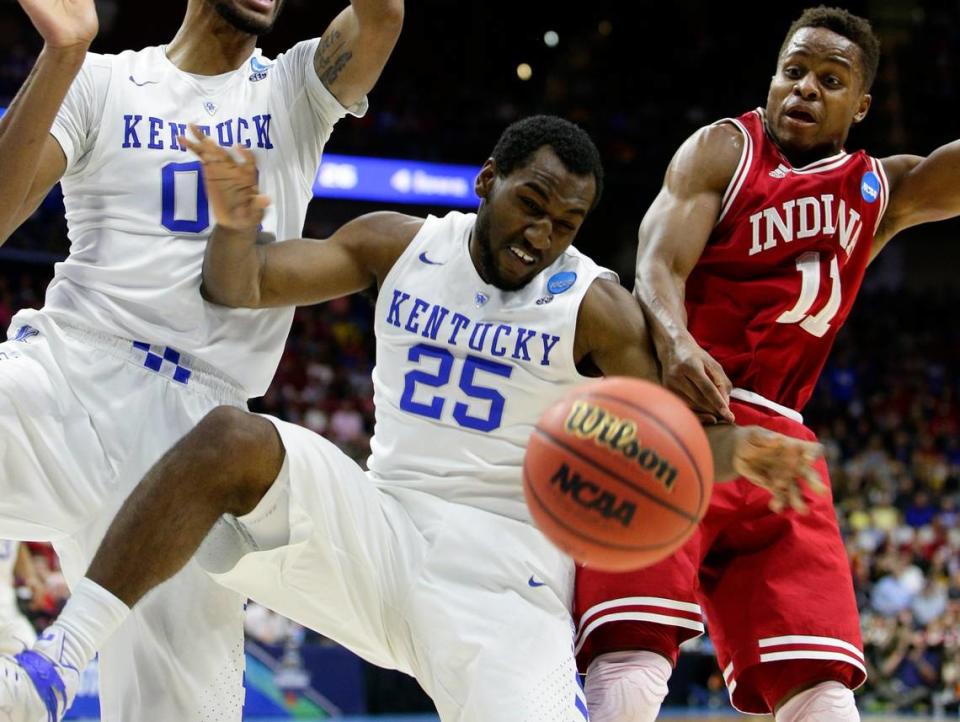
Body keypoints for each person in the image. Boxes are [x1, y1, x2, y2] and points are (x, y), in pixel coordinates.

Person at [3, 115, 823, 722]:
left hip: (505, 581)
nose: (540, 236)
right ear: (487, 178)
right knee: (227, 437)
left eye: (565, 224)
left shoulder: (595, 306)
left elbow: (672, 447)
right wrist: (231, 225)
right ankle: (56, 661)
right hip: (382, 532)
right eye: (530, 205)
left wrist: (738, 451)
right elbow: (241, 285)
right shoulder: (399, 245)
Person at [0, 0, 402, 718]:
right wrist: (62, 51)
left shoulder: (295, 90)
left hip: (196, 448)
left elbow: (381, 18)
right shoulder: (103, 80)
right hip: (70, 375)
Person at [575, 6, 960, 722]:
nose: (805, 88)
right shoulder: (725, 149)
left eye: (829, 79)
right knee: (635, 646)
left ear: (862, 103)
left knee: (820, 683)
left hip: (782, 442)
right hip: (679, 415)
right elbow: (657, 264)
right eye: (794, 71)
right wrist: (677, 340)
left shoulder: (882, 190)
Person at [0, 542, 45, 655]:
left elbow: (17, 541)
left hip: (8, 609)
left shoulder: (14, 527)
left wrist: (31, 576)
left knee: (35, 656)